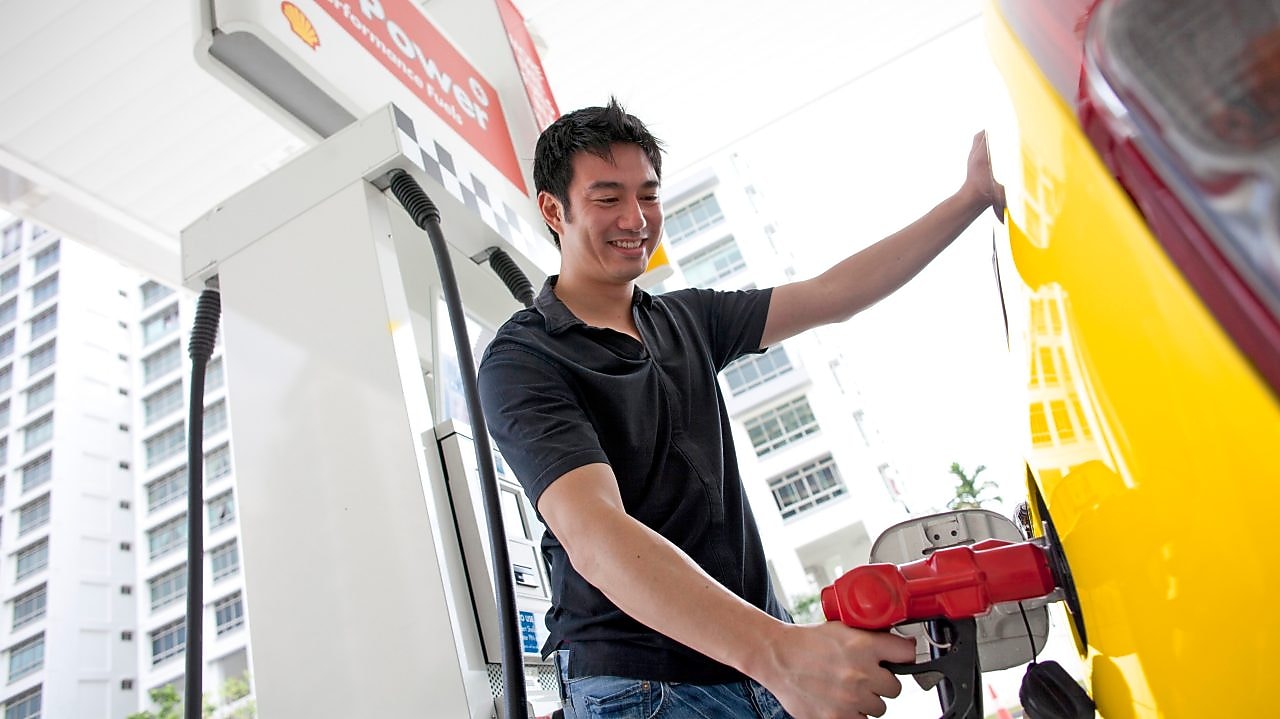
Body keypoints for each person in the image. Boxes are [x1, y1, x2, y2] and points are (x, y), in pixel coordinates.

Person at [477, 99, 1005, 719]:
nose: (636, 218)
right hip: (641, 684)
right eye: (607, 197)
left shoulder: (683, 320)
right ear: (553, 209)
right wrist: (778, 653)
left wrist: (970, 199)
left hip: (756, 660)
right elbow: (596, 535)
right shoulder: (523, 358)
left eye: (648, 195)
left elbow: (833, 294)